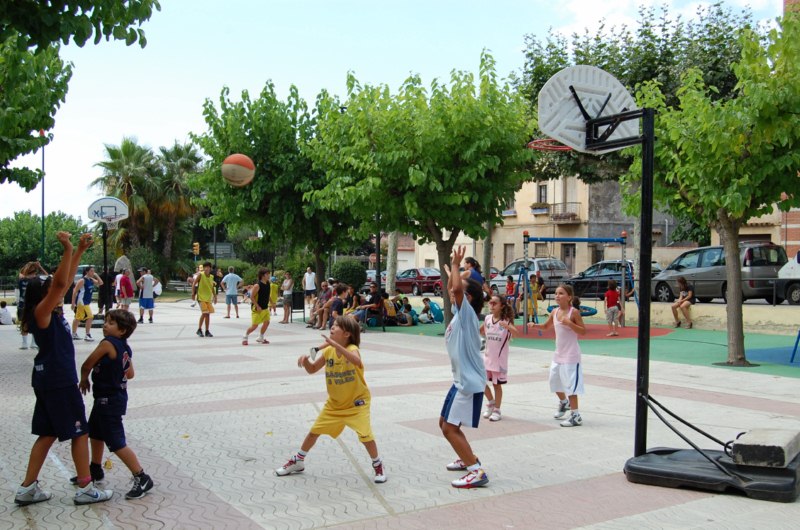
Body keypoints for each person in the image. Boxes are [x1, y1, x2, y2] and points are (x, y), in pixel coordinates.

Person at [15, 232, 113, 506]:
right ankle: (85, 488)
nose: (59, 291)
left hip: (48, 380)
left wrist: (79, 250)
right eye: (52, 291)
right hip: (58, 381)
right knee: (79, 432)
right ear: (44, 296)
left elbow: (64, 283)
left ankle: (27, 488)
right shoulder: (42, 313)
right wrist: (68, 248)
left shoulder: (50, 312)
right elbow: (60, 284)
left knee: (46, 434)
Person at [275, 316, 386, 484]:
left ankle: (378, 465)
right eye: (332, 325)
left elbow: (357, 360)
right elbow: (312, 369)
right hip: (334, 404)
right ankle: (298, 461)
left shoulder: (352, 348)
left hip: (357, 403)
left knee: (365, 435)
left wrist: (334, 344)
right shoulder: (328, 352)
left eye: (336, 326)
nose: (332, 327)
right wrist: (306, 362)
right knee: (314, 432)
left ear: (347, 334)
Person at [78, 309, 154, 499]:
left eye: (110, 323)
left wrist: (84, 379)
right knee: (95, 432)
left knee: (116, 441)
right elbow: (130, 374)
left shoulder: (107, 344)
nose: (105, 325)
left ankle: (141, 476)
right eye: (105, 321)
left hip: (108, 399)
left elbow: (87, 364)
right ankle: (95, 469)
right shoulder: (124, 347)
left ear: (122, 330)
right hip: (114, 396)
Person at [440, 245, 489, 489]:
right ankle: (467, 458)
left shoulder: (467, 313)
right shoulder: (461, 315)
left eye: (457, 291)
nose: (451, 291)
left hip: (468, 382)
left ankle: (476, 471)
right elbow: (455, 286)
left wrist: (457, 267)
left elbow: (457, 288)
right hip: (460, 379)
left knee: (450, 428)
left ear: (467, 299)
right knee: (444, 423)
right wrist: (453, 273)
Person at [528, 284, 587, 428]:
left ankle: (575, 415)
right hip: (558, 354)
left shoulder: (574, 313)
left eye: (561, 293)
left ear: (569, 297)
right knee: (554, 381)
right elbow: (546, 326)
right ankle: (564, 402)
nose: (557, 296)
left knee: (571, 386)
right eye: (556, 293)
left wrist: (569, 323)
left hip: (571, 355)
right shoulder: (554, 311)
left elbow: (583, 331)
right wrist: (534, 326)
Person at [481, 295, 520, 422]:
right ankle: (491, 403)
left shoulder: (505, 321)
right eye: (490, 303)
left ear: (502, 306)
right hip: (487, 358)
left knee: (497, 385)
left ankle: (497, 409)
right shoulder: (487, 319)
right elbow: (481, 331)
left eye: (494, 303)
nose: (491, 305)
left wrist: (508, 327)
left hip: (499, 361)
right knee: (480, 382)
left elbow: (516, 334)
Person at [17, 261, 48, 349]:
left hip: (26, 304)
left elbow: (21, 272)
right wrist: (39, 267)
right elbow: (48, 276)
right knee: (34, 323)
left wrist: (28, 265)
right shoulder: (36, 279)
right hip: (33, 304)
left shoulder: (23, 279)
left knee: (25, 322)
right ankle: (32, 343)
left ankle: (25, 343)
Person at [71, 266, 103, 342]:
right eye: (91, 271)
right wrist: (73, 303)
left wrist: (96, 275)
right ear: (87, 272)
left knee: (78, 318)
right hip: (82, 302)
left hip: (86, 302)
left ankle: (73, 334)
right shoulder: (82, 280)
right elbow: (75, 291)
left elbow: (101, 283)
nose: (93, 272)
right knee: (90, 317)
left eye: (93, 271)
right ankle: (87, 334)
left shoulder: (91, 280)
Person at [242, 268, 271, 345]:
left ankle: (261, 337)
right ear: (262, 275)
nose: (269, 275)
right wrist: (257, 306)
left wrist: (272, 302)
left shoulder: (268, 283)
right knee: (254, 326)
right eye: (267, 274)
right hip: (257, 309)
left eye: (269, 274)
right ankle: (245, 336)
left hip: (265, 308)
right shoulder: (257, 285)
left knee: (267, 322)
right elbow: (251, 297)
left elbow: (268, 294)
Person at [193, 262, 217, 337]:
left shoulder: (211, 277)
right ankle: (199, 329)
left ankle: (207, 330)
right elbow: (194, 283)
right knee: (205, 313)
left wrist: (215, 297)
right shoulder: (201, 275)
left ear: (210, 268)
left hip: (208, 298)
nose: (206, 268)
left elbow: (212, 287)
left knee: (208, 314)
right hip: (201, 297)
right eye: (205, 267)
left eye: (208, 267)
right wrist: (193, 294)